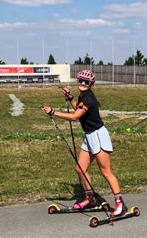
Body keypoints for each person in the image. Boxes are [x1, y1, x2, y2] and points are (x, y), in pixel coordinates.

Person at [42, 69, 127, 216]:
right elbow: (79, 109)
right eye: (80, 80)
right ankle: (90, 199)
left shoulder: (88, 98)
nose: (82, 83)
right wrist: (70, 98)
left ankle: (120, 204)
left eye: (86, 82)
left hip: (98, 136)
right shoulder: (83, 96)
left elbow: (76, 116)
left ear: (91, 84)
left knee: (105, 171)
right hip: (89, 136)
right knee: (80, 168)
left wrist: (53, 112)